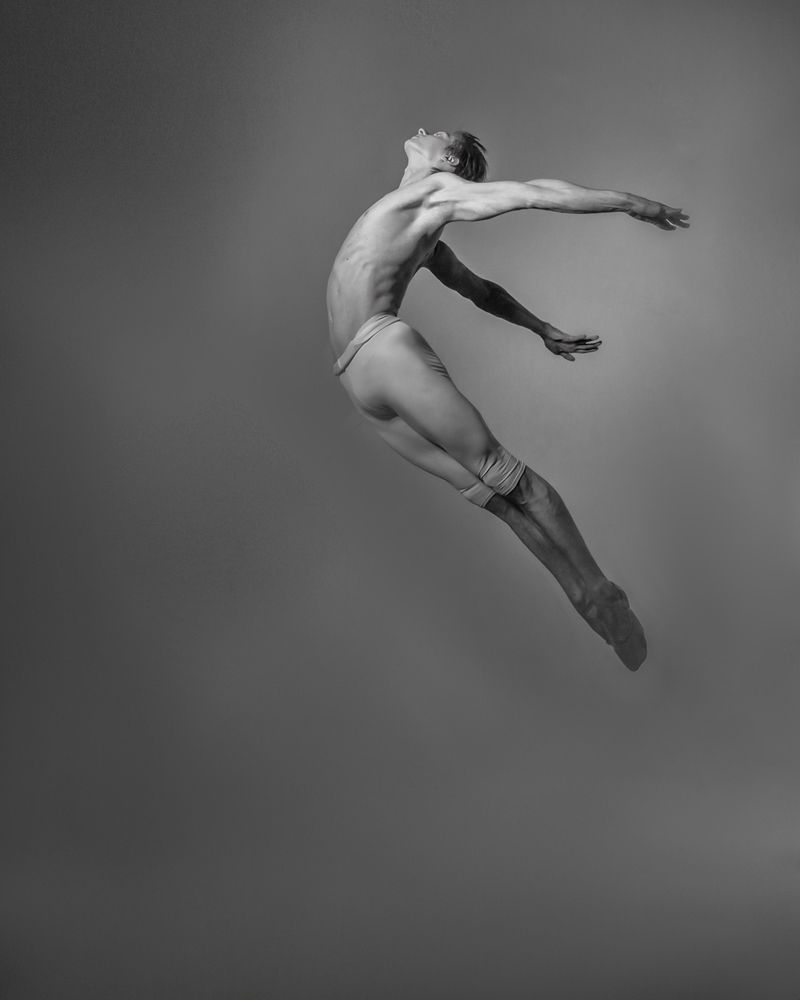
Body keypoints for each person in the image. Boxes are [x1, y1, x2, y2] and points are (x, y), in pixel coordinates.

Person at [326, 128, 689, 670]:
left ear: (449, 159)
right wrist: (541, 328)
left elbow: (537, 192)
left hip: (380, 349)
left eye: (437, 134)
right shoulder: (423, 230)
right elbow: (481, 291)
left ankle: (603, 590)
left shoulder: (437, 193)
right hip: (357, 381)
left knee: (505, 474)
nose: (423, 131)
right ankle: (587, 599)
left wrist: (632, 203)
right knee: (492, 498)